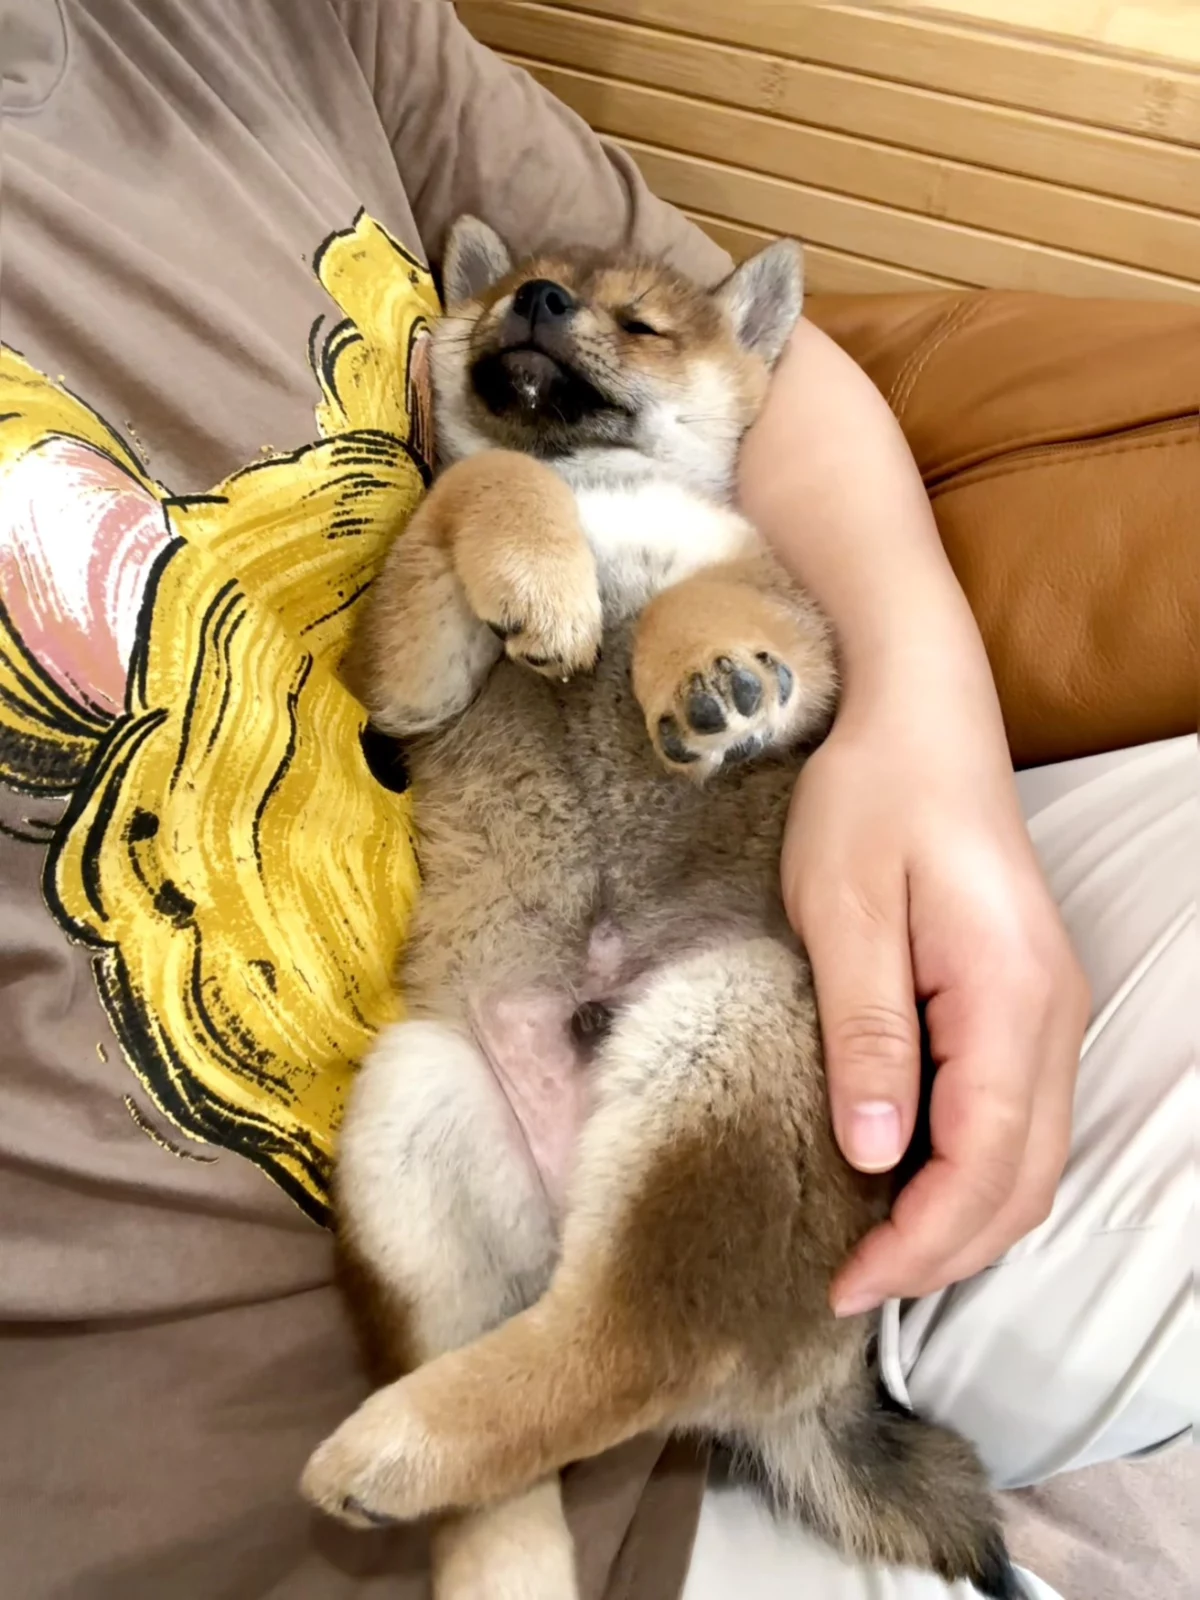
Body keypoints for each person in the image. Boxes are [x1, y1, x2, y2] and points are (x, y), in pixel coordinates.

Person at [0, 3, 1190, 1598]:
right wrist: (489, 514)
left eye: (629, 329)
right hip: (309, 1360)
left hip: (800, 1070)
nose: (553, 319)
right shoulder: (471, 504)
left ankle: (643, 1369)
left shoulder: (289, 24)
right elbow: (409, 681)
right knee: (426, 1126)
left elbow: (780, 500)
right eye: (515, 307)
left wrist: (928, 746)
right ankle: (530, 1444)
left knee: (741, 1027)